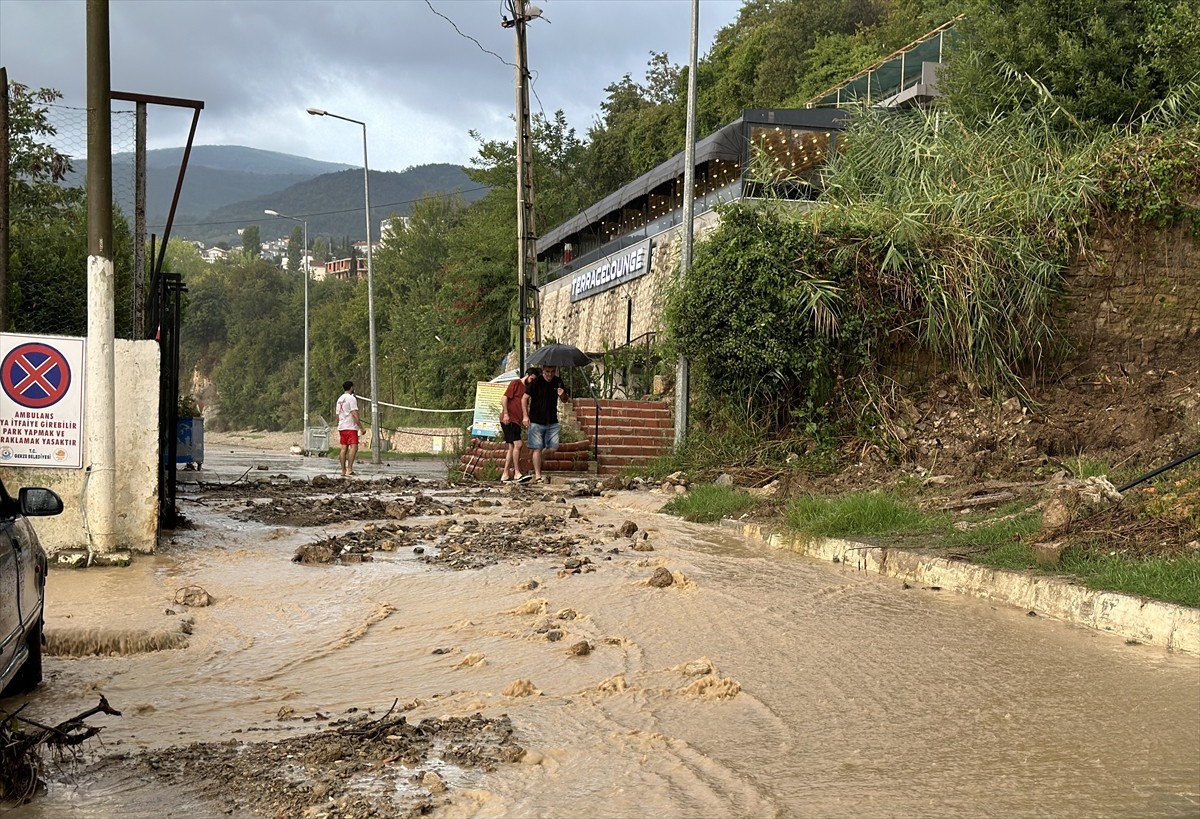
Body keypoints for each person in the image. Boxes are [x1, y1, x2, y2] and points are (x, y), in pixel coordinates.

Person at [522, 364, 570, 483]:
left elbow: (565, 400)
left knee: (553, 447)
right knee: (537, 448)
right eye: (547, 371)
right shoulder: (536, 382)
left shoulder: (558, 382)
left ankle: (536, 462)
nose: (550, 374)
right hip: (536, 420)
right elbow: (524, 398)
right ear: (543, 370)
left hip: (552, 420)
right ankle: (538, 475)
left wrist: (562, 394)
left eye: (552, 371)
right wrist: (525, 416)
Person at [500, 368, 539, 483]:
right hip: (508, 419)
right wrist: (506, 413)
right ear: (527, 375)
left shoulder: (527, 389)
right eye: (531, 379)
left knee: (512, 448)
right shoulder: (515, 383)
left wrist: (525, 419)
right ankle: (517, 473)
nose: (532, 382)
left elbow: (524, 406)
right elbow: (504, 398)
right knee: (518, 444)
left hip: (516, 421)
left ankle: (505, 474)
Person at [335, 380, 364, 477]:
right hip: (350, 427)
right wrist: (361, 427)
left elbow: (337, 415)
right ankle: (349, 469)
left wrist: (339, 425)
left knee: (343, 448)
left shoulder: (339, 399)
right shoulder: (351, 399)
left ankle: (343, 470)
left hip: (342, 426)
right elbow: (354, 413)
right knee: (354, 447)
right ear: (351, 388)